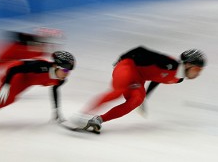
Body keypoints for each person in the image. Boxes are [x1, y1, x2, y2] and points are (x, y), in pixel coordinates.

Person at [77, 46, 206, 133]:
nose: (198, 74)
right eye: (197, 69)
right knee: (117, 92)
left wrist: (146, 97)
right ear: (188, 64)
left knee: (137, 99)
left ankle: (97, 120)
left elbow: (158, 78)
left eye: (200, 71)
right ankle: (83, 115)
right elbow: (141, 50)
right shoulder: (169, 64)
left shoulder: (178, 78)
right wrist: (121, 58)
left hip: (138, 79)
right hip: (127, 66)